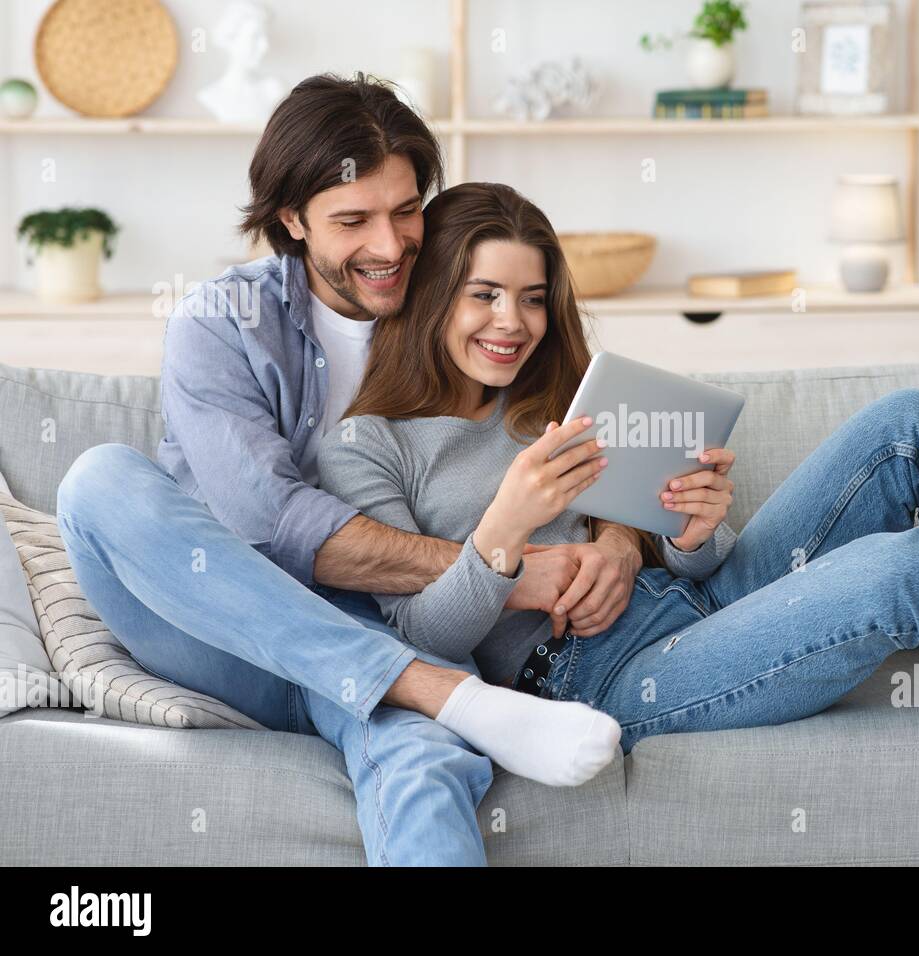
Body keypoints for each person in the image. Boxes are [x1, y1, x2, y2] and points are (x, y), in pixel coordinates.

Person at [318, 180, 919, 772]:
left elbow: (698, 569)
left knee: (906, 424)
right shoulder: (370, 442)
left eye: (532, 297)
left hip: (699, 608)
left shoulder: (568, 396)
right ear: (436, 290)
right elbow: (414, 642)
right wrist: (501, 532)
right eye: (483, 292)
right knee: (895, 570)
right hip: (600, 678)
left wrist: (690, 533)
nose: (511, 320)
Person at [55, 76, 642, 868]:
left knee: (424, 764)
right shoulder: (223, 323)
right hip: (230, 626)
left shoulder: (464, 307)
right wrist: (503, 573)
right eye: (352, 220)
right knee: (97, 481)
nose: (390, 245)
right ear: (292, 221)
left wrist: (618, 541)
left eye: (406, 211)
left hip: (394, 627)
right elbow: (269, 522)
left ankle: (438, 701)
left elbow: (580, 421)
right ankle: (447, 695)